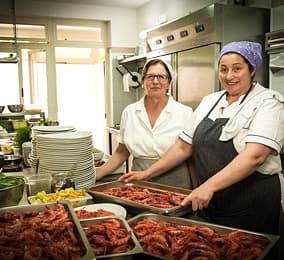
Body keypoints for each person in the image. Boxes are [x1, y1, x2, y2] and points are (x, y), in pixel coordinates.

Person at [120, 41, 284, 236]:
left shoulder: (269, 101)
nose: (229, 76)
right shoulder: (210, 101)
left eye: (237, 68)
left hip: (251, 202)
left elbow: (255, 156)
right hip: (212, 202)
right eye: (223, 69)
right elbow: (183, 147)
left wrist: (207, 186)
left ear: (252, 69)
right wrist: (146, 174)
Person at [96, 58, 194, 189]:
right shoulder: (130, 112)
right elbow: (121, 152)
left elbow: (189, 154)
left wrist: (196, 187)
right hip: (138, 181)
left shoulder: (185, 113)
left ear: (169, 82)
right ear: (143, 81)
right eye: (150, 77)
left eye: (161, 77)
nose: (155, 81)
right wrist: (96, 176)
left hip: (175, 181)